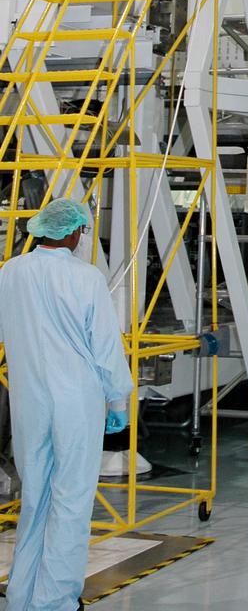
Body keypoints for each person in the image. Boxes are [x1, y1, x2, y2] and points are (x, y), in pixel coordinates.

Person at [0, 198, 133, 611]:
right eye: (82, 232)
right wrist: (118, 400)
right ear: (72, 232)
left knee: (36, 497)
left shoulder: (10, 272)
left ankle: (21, 596)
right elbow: (106, 346)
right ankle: (55, 602)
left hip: (29, 400)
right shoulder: (87, 278)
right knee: (71, 502)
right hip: (76, 400)